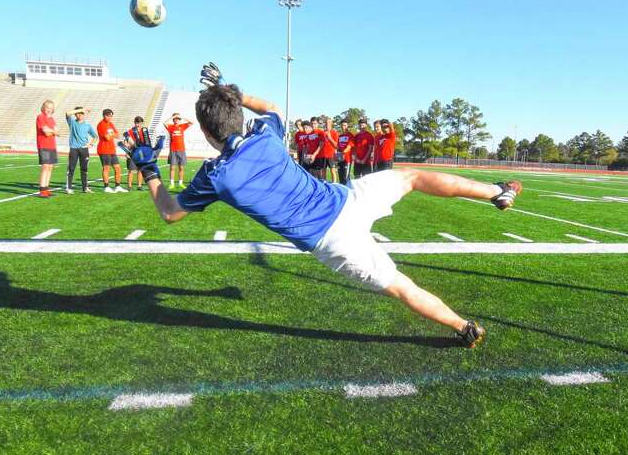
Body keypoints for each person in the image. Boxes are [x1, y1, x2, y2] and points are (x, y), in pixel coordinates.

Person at [130, 63, 523, 347]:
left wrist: (149, 170)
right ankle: (496, 191)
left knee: (401, 286)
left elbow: (170, 212)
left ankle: (463, 327)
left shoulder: (216, 176)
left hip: (331, 240)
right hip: (348, 199)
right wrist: (231, 90)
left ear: (204, 131)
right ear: (236, 112)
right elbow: (271, 108)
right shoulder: (265, 135)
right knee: (412, 177)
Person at [65, 106, 98, 193]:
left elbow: (95, 136)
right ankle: (69, 188)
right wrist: (81, 110)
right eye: (78, 113)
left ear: (84, 115)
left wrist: (91, 144)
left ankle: (85, 187)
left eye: (82, 113)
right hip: (74, 149)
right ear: (75, 114)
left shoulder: (87, 125)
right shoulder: (72, 122)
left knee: (84, 169)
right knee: (71, 168)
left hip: (84, 149)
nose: (80, 115)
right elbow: (67, 113)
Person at [121, 116, 153, 192]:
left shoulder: (144, 131)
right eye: (137, 123)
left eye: (140, 123)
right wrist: (127, 151)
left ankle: (139, 186)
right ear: (134, 123)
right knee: (131, 170)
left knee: (141, 170)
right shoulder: (130, 131)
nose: (138, 125)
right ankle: (129, 186)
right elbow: (125, 142)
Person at [97, 109, 124, 193]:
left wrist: (111, 134)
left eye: (111, 116)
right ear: (104, 115)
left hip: (112, 150)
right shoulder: (101, 124)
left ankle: (117, 186)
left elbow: (117, 135)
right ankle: (106, 187)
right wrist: (112, 134)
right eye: (108, 116)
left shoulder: (111, 124)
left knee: (118, 168)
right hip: (104, 149)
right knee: (106, 168)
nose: (110, 118)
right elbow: (107, 137)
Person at [164, 112, 193, 189]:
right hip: (173, 150)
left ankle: (180, 183)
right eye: (175, 119)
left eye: (178, 119)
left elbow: (192, 122)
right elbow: (164, 123)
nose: (176, 120)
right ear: (173, 119)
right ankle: (172, 183)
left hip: (181, 150)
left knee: (181, 168)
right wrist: (172, 117)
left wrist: (181, 117)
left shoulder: (182, 126)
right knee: (172, 168)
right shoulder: (170, 127)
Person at [35, 99, 58, 198]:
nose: (49, 110)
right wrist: (53, 131)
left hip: (52, 146)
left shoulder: (52, 119)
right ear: (43, 108)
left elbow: (57, 132)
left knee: (50, 167)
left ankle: (46, 188)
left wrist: (51, 131)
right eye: (47, 107)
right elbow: (46, 132)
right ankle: (42, 190)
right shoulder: (40, 117)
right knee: (45, 167)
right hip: (43, 146)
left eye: (51, 108)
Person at [319, 116, 339, 182]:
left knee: (333, 171)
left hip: (331, 155)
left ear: (331, 123)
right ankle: (324, 184)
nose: (327, 124)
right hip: (323, 155)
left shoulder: (335, 133)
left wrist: (330, 137)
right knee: (323, 172)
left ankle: (334, 184)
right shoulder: (322, 133)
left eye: (329, 122)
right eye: (326, 123)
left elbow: (336, 146)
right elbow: (320, 144)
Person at [335, 119, 355, 185]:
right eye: (342, 125)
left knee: (346, 178)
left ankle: (348, 190)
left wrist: (342, 153)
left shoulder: (350, 135)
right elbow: (338, 147)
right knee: (340, 177)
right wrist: (337, 154)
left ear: (347, 126)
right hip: (340, 159)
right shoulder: (340, 136)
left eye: (345, 125)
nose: (343, 127)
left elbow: (348, 147)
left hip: (347, 159)